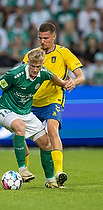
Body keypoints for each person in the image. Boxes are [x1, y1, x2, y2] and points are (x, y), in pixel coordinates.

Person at [0, 48, 70, 188]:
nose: (35, 69)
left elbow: (53, 77)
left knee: (46, 144)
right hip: (5, 110)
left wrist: (64, 84)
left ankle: (50, 180)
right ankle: (23, 169)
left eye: (38, 66)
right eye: (32, 66)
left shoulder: (43, 73)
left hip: (26, 114)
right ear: (28, 63)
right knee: (20, 127)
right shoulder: (15, 74)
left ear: (41, 64)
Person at [23, 22, 85, 188]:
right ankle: (24, 172)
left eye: (45, 38)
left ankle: (58, 172)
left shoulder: (63, 53)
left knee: (52, 129)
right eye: (40, 38)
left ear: (53, 37)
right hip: (32, 102)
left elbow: (81, 76)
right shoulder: (32, 55)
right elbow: (22, 75)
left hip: (53, 100)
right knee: (20, 133)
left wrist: (74, 82)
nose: (42, 41)